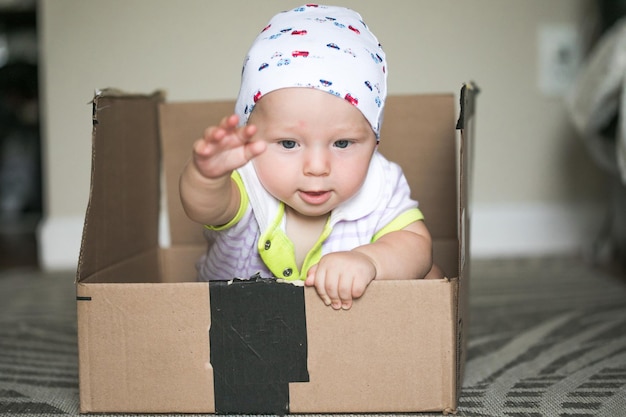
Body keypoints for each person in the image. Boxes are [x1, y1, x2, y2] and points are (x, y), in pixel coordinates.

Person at [180, 4, 442, 310]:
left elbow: (416, 245)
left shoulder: (379, 183)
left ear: (374, 141)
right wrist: (206, 177)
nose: (317, 167)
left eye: (342, 143)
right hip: (236, 325)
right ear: (250, 135)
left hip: (343, 326)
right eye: (289, 144)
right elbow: (205, 207)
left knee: (430, 276)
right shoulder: (246, 180)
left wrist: (368, 261)